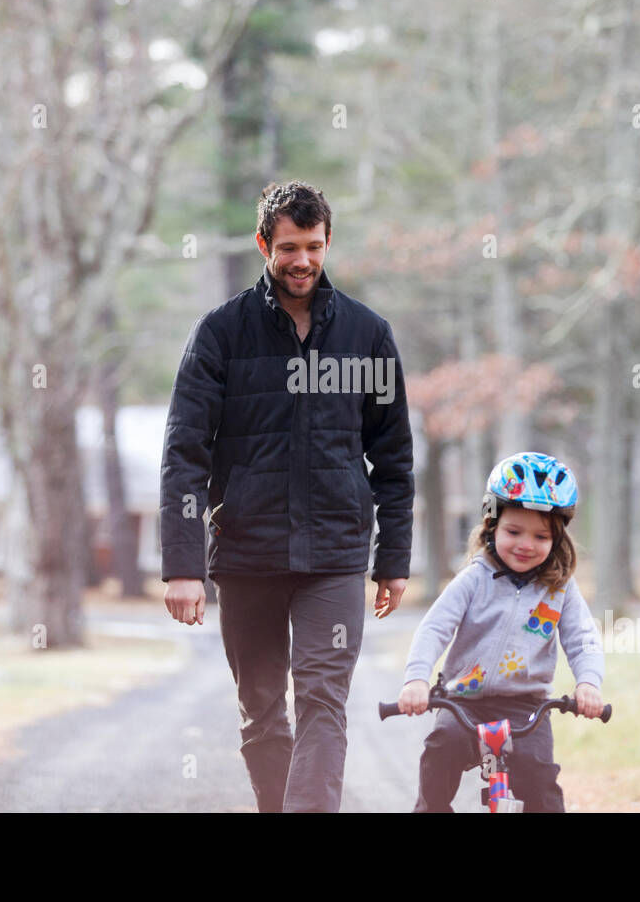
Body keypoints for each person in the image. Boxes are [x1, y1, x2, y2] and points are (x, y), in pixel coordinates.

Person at [159, 180, 415, 812]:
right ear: (263, 244)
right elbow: (184, 453)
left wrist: (393, 560)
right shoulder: (221, 333)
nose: (303, 260)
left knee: (325, 701)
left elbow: (394, 458)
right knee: (264, 713)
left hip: (334, 555)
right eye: (290, 247)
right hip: (247, 556)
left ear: (329, 243)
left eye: (315, 246)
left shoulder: (367, 336)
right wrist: (183, 567)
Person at [398, 451, 605, 812]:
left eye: (541, 536)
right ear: (492, 526)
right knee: (440, 749)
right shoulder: (473, 579)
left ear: (557, 540)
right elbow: (435, 627)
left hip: (526, 706)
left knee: (541, 779)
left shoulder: (561, 589)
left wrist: (588, 683)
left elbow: (582, 638)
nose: (526, 544)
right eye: (514, 531)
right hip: (463, 700)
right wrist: (416, 678)